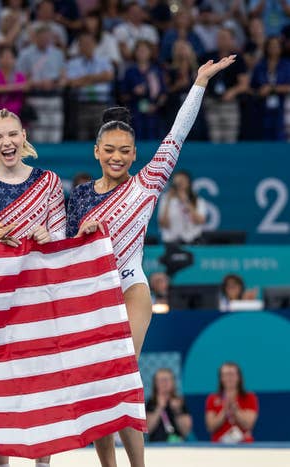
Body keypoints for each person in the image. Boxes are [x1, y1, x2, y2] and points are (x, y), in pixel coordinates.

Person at [66, 54, 236, 467]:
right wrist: (75, 236)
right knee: (96, 387)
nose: (118, 157)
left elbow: (177, 134)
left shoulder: (147, 185)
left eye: (125, 150)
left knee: (120, 372)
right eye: (109, 150)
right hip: (93, 292)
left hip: (129, 285)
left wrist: (198, 82)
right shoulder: (79, 199)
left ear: (134, 152)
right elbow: (62, 249)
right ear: (96, 151)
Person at [0, 108, 65, 467]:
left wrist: (49, 238)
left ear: (24, 136)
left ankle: (43, 462)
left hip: (37, 295)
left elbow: (62, 242)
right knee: (2, 387)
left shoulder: (48, 181)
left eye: (13, 134)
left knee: (39, 386)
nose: (7, 143)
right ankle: (1, 463)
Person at [205, 362, 259, 443]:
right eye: (226, 374)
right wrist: (224, 412)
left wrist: (236, 410)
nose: (229, 378)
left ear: (239, 377)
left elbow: (248, 425)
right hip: (219, 446)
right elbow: (210, 427)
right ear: (221, 378)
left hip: (244, 445)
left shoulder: (250, 397)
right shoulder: (212, 398)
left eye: (232, 374)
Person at [158, 170, 207, 244]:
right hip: (171, 243)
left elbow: (200, 221)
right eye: (177, 184)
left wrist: (186, 201)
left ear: (188, 183)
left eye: (182, 182)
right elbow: (163, 224)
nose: (179, 186)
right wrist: (168, 201)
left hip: (192, 242)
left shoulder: (197, 200)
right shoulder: (165, 200)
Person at [145, 368, 193, 442]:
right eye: (161, 380)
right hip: (156, 446)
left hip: (177, 445)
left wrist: (177, 411)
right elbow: (148, 429)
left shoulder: (179, 402)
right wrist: (159, 408)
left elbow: (186, 431)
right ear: (155, 383)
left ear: (173, 382)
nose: (164, 383)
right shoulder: (151, 403)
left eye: (167, 380)